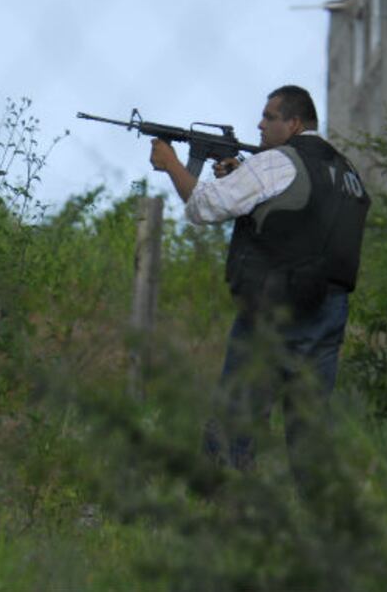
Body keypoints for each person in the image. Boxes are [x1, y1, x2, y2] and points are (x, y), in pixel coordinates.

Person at [149, 85, 370, 495]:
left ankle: (224, 507)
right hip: (329, 309)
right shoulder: (347, 172)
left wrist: (172, 164)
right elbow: (304, 217)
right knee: (309, 424)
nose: (260, 124)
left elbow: (204, 208)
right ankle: (320, 517)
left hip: (275, 307)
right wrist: (242, 178)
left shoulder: (275, 163)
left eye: (270, 117)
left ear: (294, 123)